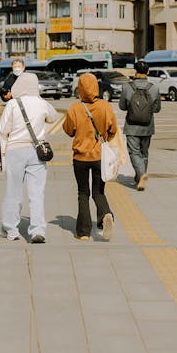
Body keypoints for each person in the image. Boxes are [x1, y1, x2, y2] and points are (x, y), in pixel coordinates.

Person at [0, 72, 59, 243]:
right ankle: (37, 230)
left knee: (13, 191)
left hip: (15, 151)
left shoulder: (12, 104)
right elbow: (54, 117)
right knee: (37, 193)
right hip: (37, 151)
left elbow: (3, 129)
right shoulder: (42, 103)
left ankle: (11, 230)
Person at [63, 72, 117, 241]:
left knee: (83, 193)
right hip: (99, 157)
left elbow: (68, 130)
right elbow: (113, 129)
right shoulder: (105, 106)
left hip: (80, 158)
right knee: (99, 192)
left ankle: (84, 232)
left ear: (80, 88)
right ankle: (105, 214)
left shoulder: (75, 108)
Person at [119, 59, 161, 191]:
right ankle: (139, 178)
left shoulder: (127, 87)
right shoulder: (154, 87)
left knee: (134, 152)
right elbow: (157, 108)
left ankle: (141, 174)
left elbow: (122, 106)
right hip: (148, 126)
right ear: (148, 72)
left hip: (131, 126)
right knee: (144, 152)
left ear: (135, 71)